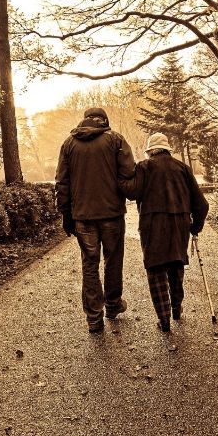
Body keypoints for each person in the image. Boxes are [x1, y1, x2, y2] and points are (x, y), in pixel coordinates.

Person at [55, 107, 136, 333]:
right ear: (104, 120)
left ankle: (94, 318)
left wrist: (65, 214)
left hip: (83, 217)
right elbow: (129, 173)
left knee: (89, 265)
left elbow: (62, 182)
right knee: (113, 260)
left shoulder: (69, 144)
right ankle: (112, 305)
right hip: (112, 214)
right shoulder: (115, 140)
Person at [119, 133, 209, 332]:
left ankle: (164, 319)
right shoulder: (183, 168)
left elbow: (132, 192)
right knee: (176, 265)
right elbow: (202, 205)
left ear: (150, 151)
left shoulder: (144, 167)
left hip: (153, 224)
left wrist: (117, 174)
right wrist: (195, 227)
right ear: (168, 149)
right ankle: (176, 309)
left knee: (156, 269)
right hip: (179, 223)